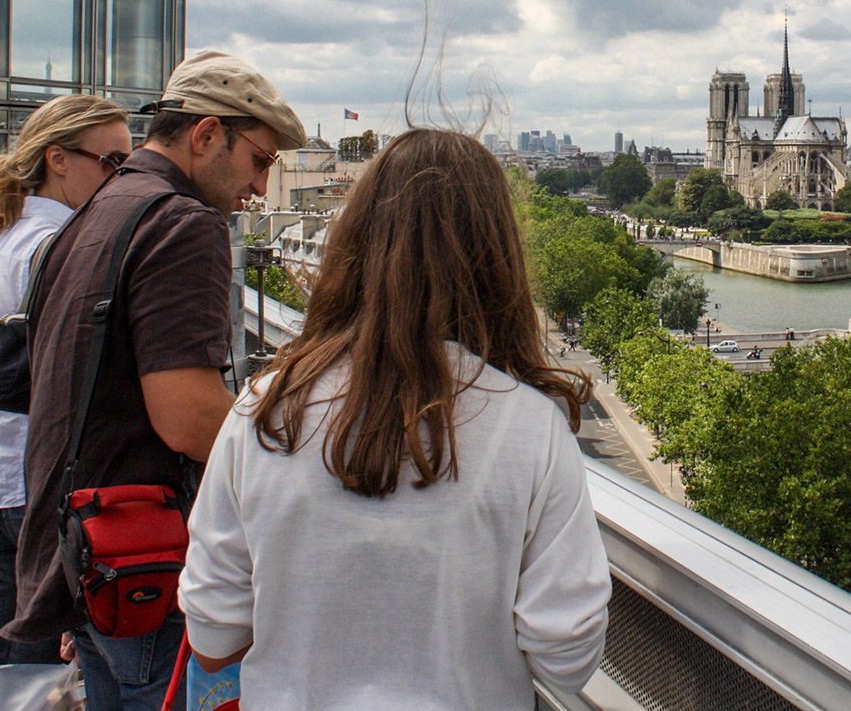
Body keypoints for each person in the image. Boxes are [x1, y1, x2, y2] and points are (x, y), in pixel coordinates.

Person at [178, 129, 612, 710]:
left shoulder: (262, 407)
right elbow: (566, 658)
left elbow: (211, 638)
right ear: (497, 258)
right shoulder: (531, 427)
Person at [4, 51, 307, 711]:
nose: (260, 185)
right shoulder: (182, 223)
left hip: (85, 551)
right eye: (259, 159)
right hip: (146, 564)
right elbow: (189, 416)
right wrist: (304, 450)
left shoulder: (98, 210)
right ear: (207, 135)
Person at [0, 94, 132, 665]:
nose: (117, 179)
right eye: (109, 163)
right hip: (40, 492)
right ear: (58, 159)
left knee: (13, 670)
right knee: (61, 670)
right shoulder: (55, 249)